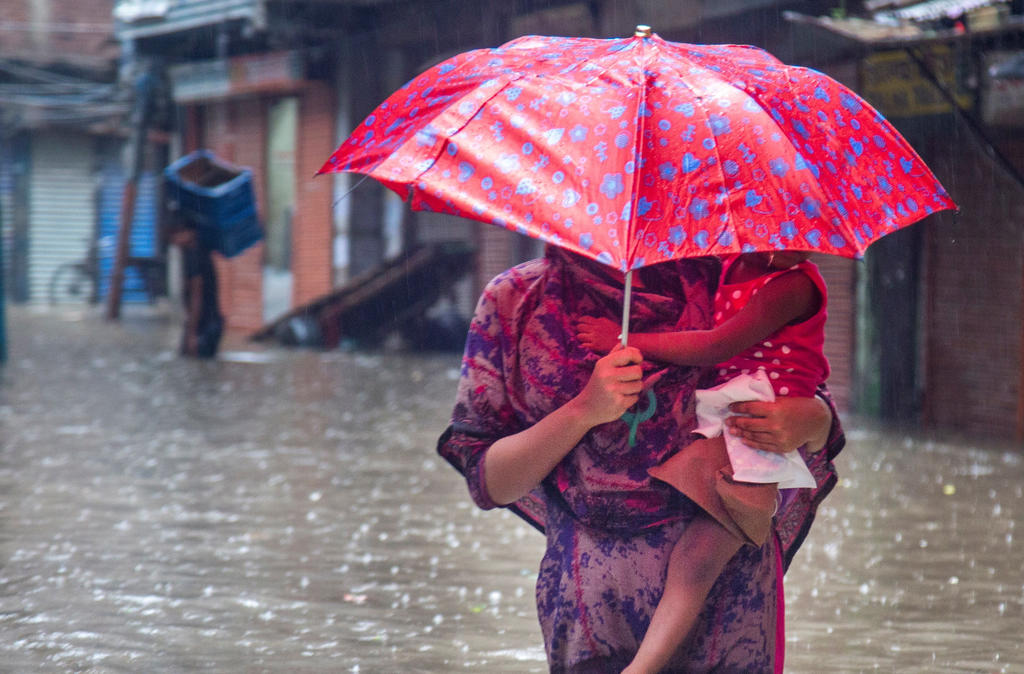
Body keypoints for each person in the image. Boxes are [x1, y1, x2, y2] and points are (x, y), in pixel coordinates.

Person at [437, 245, 844, 672]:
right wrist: (582, 411)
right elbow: (489, 482)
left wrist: (812, 419)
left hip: (728, 604)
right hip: (589, 608)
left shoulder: (722, 277)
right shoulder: (518, 299)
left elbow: (800, 395)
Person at [577, 250, 829, 673]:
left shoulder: (793, 284)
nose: (800, 242)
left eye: (809, 231)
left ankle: (640, 669)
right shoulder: (730, 266)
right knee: (689, 557)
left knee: (696, 561)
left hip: (761, 422)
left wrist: (623, 341)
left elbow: (718, 345)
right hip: (726, 413)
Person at [170, 222, 223, 359]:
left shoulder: (194, 255)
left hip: (203, 326)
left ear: (190, 233)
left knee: (192, 360)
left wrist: (192, 334)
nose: (174, 240)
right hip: (210, 324)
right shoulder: (202, 252)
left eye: (178, 234)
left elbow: (196, 295)